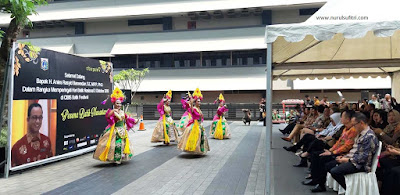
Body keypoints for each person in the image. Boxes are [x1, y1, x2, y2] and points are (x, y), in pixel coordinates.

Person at [309, 112, 378, 192]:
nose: (354, 127)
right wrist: (345, 157)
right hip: (354, 160)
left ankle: (350, 190)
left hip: (360, 165)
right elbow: (354, 151)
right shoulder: (361, 134)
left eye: (354, 125)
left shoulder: (369, 136)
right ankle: (349, 190)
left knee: (335, 171)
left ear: (361, 123)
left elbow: (363, 158)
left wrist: (346, 160)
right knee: (328, 165)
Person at [93, 88, 137, 164]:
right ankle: (114, 158)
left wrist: (134, 120)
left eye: (120, 103)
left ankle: (120, 157)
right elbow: (107, 116)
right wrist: (113, 111)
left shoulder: (122, 112)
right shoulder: (111, 111)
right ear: (114, 104)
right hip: (114, 130)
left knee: (123, 144)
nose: (119, 105)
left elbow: (127, 118)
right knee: (114, 145)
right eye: (117, 103)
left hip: (122, 130)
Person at [178, 88, 210, 154]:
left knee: (201, 137)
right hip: (194, 125)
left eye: (200, 101)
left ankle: (199, 150)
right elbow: (192, 111)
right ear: (195, 103)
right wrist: (191, 103)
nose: (199, 102)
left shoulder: (199, 109)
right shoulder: (194, 108)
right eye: (198, 101)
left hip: (199, 125)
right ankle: (194, 149)